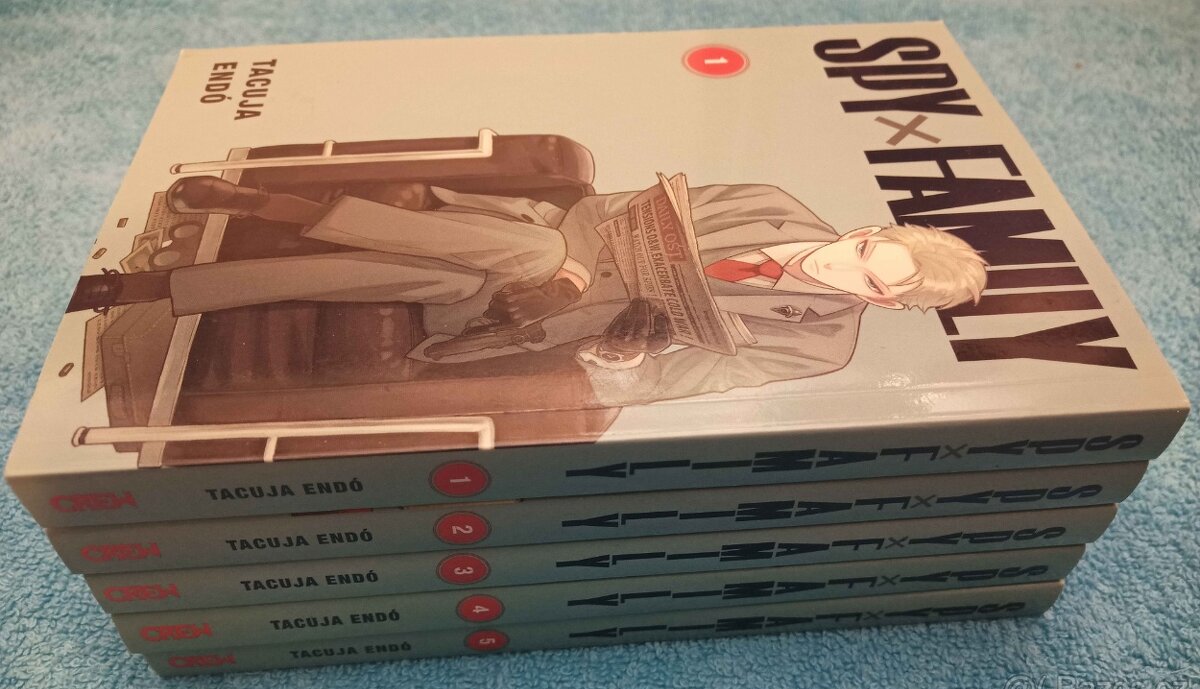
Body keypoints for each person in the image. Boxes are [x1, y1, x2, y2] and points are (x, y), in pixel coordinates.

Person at [68, 177, 986, 406]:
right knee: (537, 244)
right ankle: (163, 280)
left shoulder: (818, 346)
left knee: (444, 271)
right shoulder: (769, 202)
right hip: (540, 249)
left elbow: (664, 386)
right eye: (861, 249)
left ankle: (286, 212)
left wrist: (622, 351)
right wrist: (576, 267)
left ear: (884, 305)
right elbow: (612, 208)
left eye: (868, 284)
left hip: (529, 328)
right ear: (866, 229)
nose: (838, 268)